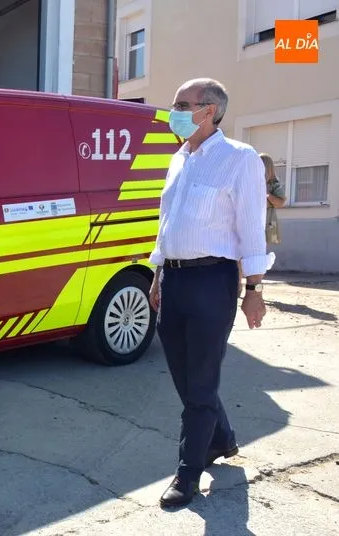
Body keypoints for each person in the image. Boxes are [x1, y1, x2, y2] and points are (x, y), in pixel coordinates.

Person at [147, 78, 272, 508]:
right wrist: (157, 275)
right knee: (186, 377)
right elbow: (167, 223)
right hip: (174, 279)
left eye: (182, 105)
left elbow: (251, 229)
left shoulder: (240, 158)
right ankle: (222, 438)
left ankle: (188, 472)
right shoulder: (179, 158)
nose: (174, 112)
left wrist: (254, 288)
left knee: (200, 382)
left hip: (211, 281)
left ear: (210, 110)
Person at [258, 152, 286, 244]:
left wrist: (267, 194)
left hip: (267, 220)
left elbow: (281, 203)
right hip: (253, 219)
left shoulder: (274, 184)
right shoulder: (252, 181)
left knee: (263, 244)